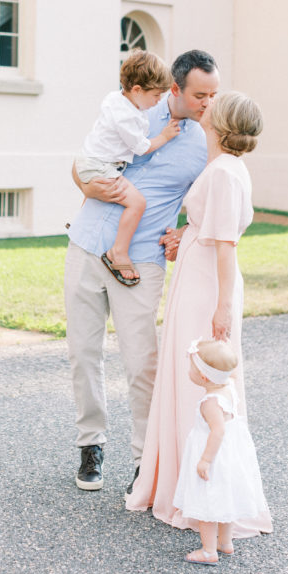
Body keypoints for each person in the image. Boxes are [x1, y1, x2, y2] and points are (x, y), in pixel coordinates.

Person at [65, 50, 220, 491]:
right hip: (87, 244)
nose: (207, 103)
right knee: (83, 354)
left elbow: (212, 200)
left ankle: (144, 460)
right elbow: (83, 163)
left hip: (141, 264)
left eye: (213, 95)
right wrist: (80, 180)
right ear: (174, 89)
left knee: (142, 365)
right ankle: (90, 445)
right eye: (199, 95)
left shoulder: (207, 142)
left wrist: (184, 231)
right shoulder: (132, 108)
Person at [126, 91, 273, 540]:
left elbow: (226, 245)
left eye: (214, 103)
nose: (204, 106)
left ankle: (202, 491)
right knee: (181, 378)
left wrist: (221, 308)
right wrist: (185, 236)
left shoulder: (226, 173)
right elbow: (211, 229)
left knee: (202, 383)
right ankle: (174, 481)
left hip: (209, 290)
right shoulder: (222, 167)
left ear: (220, 122)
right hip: (196, 280)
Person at [74, 50, 181, 287]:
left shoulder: (116, 100)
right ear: (137, 90)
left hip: (92, 161)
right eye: (156, 95)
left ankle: (86, 229)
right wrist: (165, 136)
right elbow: (142, 147)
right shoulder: (126, 117)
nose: (158, 100)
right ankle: (118, 252)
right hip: (100, 166)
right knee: (137, 203)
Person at [173, 338, 269, 566]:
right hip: (230, 455)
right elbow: (230, 373)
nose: (189, 371)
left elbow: (217, 431)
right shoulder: (228, 388)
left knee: (207, 502)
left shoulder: (210, 402)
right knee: (226, 499)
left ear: (204, 377)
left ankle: (208, 551)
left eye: (192, 368)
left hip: (213, 455)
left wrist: (205, 460)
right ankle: (225, 543)